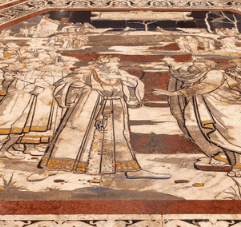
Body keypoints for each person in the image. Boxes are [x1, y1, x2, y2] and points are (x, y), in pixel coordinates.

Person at [29, 57, 167, 180]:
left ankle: (131, 169)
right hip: (88, 110)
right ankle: (52, 168)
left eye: (115, 64)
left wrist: (132, 84)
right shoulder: (86, 73)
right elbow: (62, 84)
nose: (113, 67)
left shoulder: (121, 74)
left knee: (118, 139)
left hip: (115, 110)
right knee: (74, 136)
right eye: (110, 64)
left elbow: (136, 86)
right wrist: (80, 88)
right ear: (100, 64)